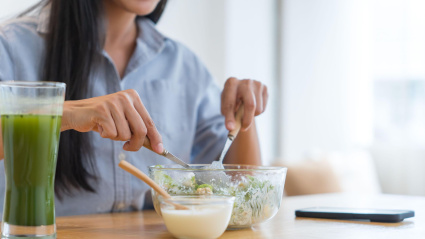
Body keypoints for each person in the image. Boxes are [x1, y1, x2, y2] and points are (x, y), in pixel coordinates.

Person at [0, 0, 268, 216]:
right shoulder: (11, 46)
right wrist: (64, 113)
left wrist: (246, 116)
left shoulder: (183, 65)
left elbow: (246, 195)